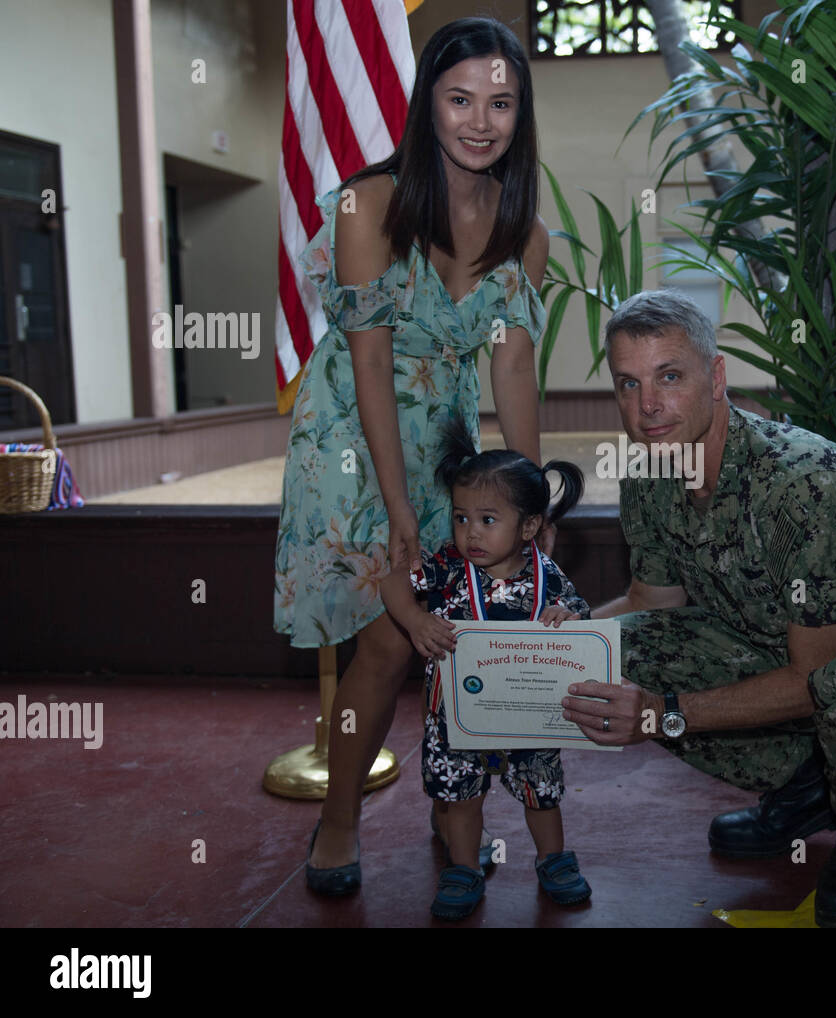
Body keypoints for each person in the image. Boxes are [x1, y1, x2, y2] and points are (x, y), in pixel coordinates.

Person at [564, 289, 836, 928]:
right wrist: (553, 639)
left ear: (716, 377)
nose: (648, 407)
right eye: (627, 384)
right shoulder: (651, 473)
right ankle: (813, 790)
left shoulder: (807, 483)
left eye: (669, 377)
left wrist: (662, 717)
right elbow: (650, 601)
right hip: (791, 646)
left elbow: (817, 677)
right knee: (626, 646)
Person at [273, 17, 550, 894]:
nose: (480, 120)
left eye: (500, 103)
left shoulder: (524, 233)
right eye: (460, 97)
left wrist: (528, 503)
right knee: (393, 646)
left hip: (444, 444)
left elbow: (511, 365)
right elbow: (369, 365)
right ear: (426, 101)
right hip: (355, 440)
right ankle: (340, 824)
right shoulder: (370, 206)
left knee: (456, 631)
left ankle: (450, 803)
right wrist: (398, 509)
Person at [381, 418, 592, 920]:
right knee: (460, 798)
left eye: (487, 520)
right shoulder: (448, 567)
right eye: (460, 517)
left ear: (530, 527)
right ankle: (463, 867)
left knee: (540, 792)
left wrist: (567, 618)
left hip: (527, 713)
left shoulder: (546, 575)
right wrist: (414, 619)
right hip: (456, 717)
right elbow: (393, 583)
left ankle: (553, 859)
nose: (470, 532)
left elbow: (581, 615)